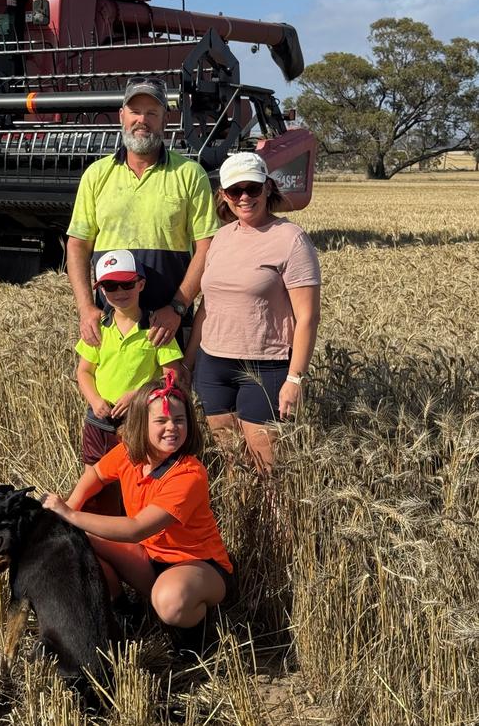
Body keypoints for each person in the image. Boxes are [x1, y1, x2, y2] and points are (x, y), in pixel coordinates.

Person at [43, 374, 233, 656]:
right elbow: (96, 473)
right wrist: (74, 501)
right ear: (141, 424)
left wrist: (69, 513)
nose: (172, 428)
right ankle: (124, 610)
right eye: (161, 421)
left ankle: (196, 642)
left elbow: (136, 529)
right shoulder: (130, 454)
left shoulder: (189, 474)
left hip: (199, 568)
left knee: (170, 601)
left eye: (179, 420)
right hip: (150, 560)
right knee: (76, 539)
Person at [183, 152, 321, 473]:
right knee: (233, 464)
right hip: (213, 366)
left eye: (253, 189)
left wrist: (295, 379)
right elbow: (207, 307)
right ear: (224, 195)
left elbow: (308, 318)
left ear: (268, 188)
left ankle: (274, 524)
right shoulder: (220, 238)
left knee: (266, 468)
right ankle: (238, 523)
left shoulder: (291, 240)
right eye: (235, 191)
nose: (244, 197)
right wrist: (189, 363)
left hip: (266, 366)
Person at [66, 76, 219, 350]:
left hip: (168, 327)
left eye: (152, 113)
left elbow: (207, 246)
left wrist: (177, 307)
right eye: (135, 112)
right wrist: (86, 308)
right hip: (111, 325)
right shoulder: (96, 175)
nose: (142, 120)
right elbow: (78, 245)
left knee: (170, 393)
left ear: (165, 120)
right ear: (121, 116)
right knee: (108, 393)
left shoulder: (189, 175)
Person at [76, 248, 182, 512]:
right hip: (98, 421)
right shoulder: (98, 328)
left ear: (141, 284)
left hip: (138, 422)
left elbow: (173, 375)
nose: (120, 292)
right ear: (100, 290)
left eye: (127, 284)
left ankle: (134, 543)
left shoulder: (156, 328)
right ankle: (96, 538)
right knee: (95, 487)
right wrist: (95, 400)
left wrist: (139, 395)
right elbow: (83, 372)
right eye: (110, 286)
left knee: (136, 487)